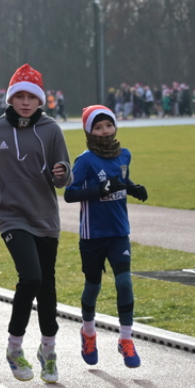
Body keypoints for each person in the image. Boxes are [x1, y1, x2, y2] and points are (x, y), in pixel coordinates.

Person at [0, 64, 70, 384]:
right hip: (11, 215)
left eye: (31, 97)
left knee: (46, 284)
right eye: (19, 96)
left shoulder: (51, 130)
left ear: (40, 101)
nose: (25, 102)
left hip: (45, 216)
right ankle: (14, 347)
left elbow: (63, 174)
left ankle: (48, 351)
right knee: (31, 277)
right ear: (10, 98)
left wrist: (62, 173)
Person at [63, 105, 148, 369]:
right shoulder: (85, 161)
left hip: (119, 232)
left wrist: (134, 188)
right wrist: (101, 189)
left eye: (108, 125)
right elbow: (69, 194)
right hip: (93, 236)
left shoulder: (124, 155)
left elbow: (123, 179)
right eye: (98, 127)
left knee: (125, 283)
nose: (105, 131)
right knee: (93, 287)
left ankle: (126, 339)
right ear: (90, 132)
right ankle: (88, 333)